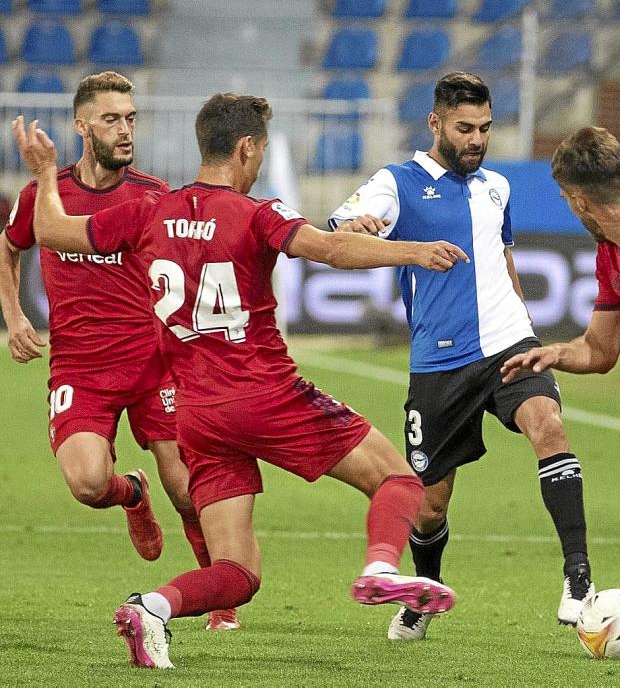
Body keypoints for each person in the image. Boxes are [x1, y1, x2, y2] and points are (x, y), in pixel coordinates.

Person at [13, 92, 466, 669]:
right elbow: (326, 248)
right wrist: (414, 250)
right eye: (261, 151)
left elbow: (49, 229)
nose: (258, 163)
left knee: (238, 571)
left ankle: (151, 608)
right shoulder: (256, 212)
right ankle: (380, 566)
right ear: (246, 148)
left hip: (199, 414)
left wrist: (46, 171)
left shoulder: (149, 210)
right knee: (401, 482)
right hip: (265, 394)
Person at [329, 72, 595, 640]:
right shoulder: (398, 182)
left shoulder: (497, 186)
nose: (477, 140)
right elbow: (346, 224)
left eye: (486, 129)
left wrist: (528, 328)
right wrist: (357, 224)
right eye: (465, 128)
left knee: (548, 426)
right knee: (430, 504)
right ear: (435, 123)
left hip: (509, 343)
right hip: (440, 361)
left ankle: (579, 577)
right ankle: (424, 595)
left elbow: (503, 259)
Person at [0, 72, 238, 631]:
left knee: (187, 489)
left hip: (157, 366)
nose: (125, 129)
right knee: (87, 484)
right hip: (81, 370)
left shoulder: (153, 197)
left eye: (131, 117)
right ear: (82, 126)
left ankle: (218, 600)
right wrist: (14, 317)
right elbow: (9, 250)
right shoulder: (44, 195)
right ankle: (131, 492)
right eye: (111, 119)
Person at [501, 125, 620, 597]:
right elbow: (601, 350)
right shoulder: (611, 255)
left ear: (580, 200)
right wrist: (558, 353)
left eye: (566, 197)